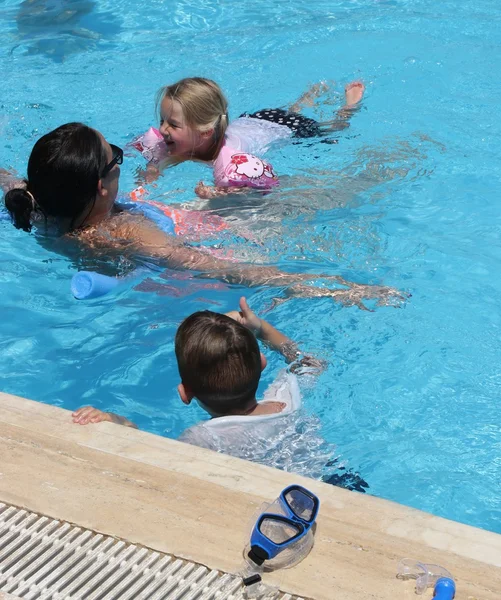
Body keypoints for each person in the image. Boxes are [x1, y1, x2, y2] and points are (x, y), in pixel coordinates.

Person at [2, 122, 403, 307]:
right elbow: (210, 265)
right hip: (215, 235)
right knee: (313, 201)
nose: (121, 160)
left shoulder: (35, 203)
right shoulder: (127, 232)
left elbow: (9, 180)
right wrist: (337, 289)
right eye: (116, 158)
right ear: (101, 187)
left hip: (173, 225)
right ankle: (388, 167)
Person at [72, 297, 369, 492]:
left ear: (185, 394)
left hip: (278, 501)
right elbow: (310, 361)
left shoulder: (202, 439)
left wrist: (118, 422)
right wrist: (261, 328)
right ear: (263, 365)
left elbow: (155, 460)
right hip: (336, 481)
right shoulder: (287, 394)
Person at [136, 77, 365, 197]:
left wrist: (218, 195)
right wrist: (151, 174)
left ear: (205, 132)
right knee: (291, 110)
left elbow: (264, 188)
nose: (163, 129)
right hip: (256, 119)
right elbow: (152, 167)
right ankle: (306, 100)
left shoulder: (229, 160)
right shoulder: (171, 140)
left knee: (334, 128)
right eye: (162, 120)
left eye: (173, 124)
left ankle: (348, 105)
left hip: (289, 130)